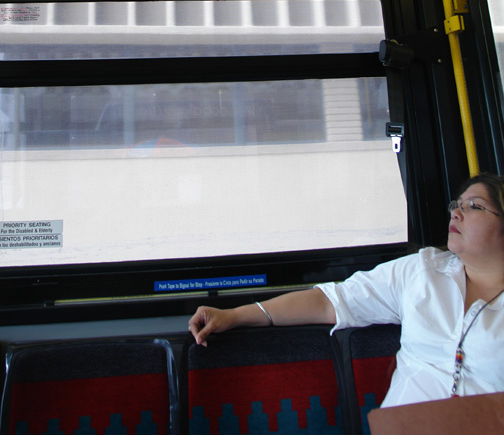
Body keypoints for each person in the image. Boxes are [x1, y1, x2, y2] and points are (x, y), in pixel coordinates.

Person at [188, 172, 504, 406]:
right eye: (456, 204)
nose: (456, 212)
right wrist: (235, 315)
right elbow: (330, 302)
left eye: (474, 207)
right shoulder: (423, 272)